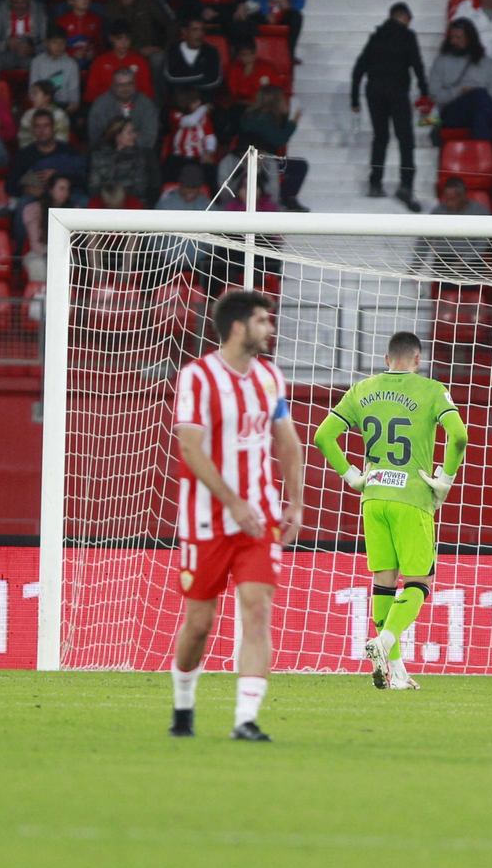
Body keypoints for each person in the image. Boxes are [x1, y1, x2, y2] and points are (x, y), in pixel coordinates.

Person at [167, 289, 303, 742]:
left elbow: (287, 441)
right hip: (207, 520)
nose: (271, 328)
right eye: (264, 320)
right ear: (239, 327)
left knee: (257, 610)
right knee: (199, 624)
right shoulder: (198, 378)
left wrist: (296, 502)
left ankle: (245, 719)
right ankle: (184, 705)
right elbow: (189, 447)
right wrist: (232, 500)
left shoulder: (269, 378)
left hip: (259, 520)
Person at [314, 332, 468, 692]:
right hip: (412, 498)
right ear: (417, 359)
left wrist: (353, 476)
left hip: (373, 496)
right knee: (419, 582)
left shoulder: (361, 389)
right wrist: (443, 480)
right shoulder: (431, 390)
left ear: (387, 359)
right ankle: (385, 641)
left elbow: (323, 435)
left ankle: (395, 671)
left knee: (384, 582)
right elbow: (458, 436)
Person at [351, 3, 429, 209]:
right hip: (397, 92)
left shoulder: (376, 37)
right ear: (404, 17)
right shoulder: (407, 36)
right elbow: (417, 65)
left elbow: (359, 68)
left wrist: (354, 99)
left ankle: (375, 182)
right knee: (405, 139)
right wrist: (425, 92)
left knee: (381, 137)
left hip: (374, 91)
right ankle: (406, 185)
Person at [431, 19, 492, 142]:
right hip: (452, 114)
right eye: (452, 37)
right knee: (478, 95)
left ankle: (480, 158)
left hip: (480, 110)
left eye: (458, 38)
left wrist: (479, 98)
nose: (453, 41)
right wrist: (459, 92)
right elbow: (434, 95)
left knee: (481, 113)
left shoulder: (486, 63)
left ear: (469, 38)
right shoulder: (441, 61)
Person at [239, 85, 308, 212]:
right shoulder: (264, 118)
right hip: (261, 160)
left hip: (259, 157)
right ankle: (287, 199)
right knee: (300, 166)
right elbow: (279, 139)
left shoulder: (252, 114)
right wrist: (293, 122)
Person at [6, 108, 86, 197]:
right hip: (36, 201)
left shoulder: (68, 151)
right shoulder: (25, 155)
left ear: (54, 127)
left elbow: (83, 181)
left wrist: (58, 175)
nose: (42, 130)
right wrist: (27, 190)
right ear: (33, 129)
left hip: (66, 199)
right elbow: (10, 185)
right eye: (37, 126)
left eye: (46, 126)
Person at [104, 0, 175, 62]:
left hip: (156, 49)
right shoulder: (110, 8)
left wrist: (165, 48)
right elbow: (110, 38)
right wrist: (139, 50)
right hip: (126, 52)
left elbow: (171, 22)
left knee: (158, 59)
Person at [0, 0, 48, 79]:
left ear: (30, 0)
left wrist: (33, 50)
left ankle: (39, 93)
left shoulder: (40, 13)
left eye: (23, 2)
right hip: (6, 54)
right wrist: (6, 45)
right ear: (9, 0)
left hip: (30, 57)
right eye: (15, 2)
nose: (19, 6)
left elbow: (47, 43)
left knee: (43, 61)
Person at [88, 116, 155, 206]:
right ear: (117, 135)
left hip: (129, 202)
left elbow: (140, 188)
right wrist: (110, 196)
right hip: (104, 201)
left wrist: (118, 195)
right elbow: (93, 187)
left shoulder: (139, 156)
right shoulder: (98, 155)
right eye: (130, 132)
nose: (135, 135)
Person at [88, 66, 159, 147]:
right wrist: (119, 144)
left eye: (129, 84)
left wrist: (130, 144)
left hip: (140, 155)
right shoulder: (100, 105)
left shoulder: (146, 104)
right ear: (113, 86)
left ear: (135, 84)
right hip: (108, 156)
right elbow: (96, 138)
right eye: (120, 85)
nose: (125, 88)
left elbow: (150, 137)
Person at [18, 174, 70, 283]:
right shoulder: (34, 209)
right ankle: (40, 296)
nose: (65, 193)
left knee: (64, 264)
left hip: (62, 255)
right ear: (50, 190)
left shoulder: (71, 211)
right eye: (61, 188)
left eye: (67, 189)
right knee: (38, 265)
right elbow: (35, 244)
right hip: (37, 253)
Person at [159, 18, 222, 97]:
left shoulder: (211, 51)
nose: (200, 34)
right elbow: (170, 78)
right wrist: (201, 76)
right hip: (178, 101)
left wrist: (185, 82)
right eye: (195, 30)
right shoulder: (173, 50)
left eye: (202, 30)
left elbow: (215, 81)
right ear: (184, 31)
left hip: (204, 101)